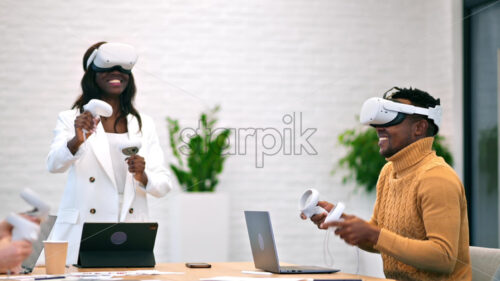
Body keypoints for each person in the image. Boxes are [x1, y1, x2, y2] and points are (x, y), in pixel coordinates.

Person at [302, 87, 471, 280]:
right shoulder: (388, 172)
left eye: (392, 117)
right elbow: (378, 238)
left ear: (419, 128)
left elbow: (444, 257)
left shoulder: (437, 178)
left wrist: (374, 234)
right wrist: (342, 221)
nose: (378, 127)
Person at [47, 42, 172, 264]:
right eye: (107, 67)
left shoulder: (143, 124)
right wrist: (77, 140)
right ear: (92, 75)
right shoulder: (71, 119)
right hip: (85, 228)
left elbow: (163, 185)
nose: (116, 73)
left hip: (130, 229)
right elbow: (54, 165)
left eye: (123, 69)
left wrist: (142, 175)